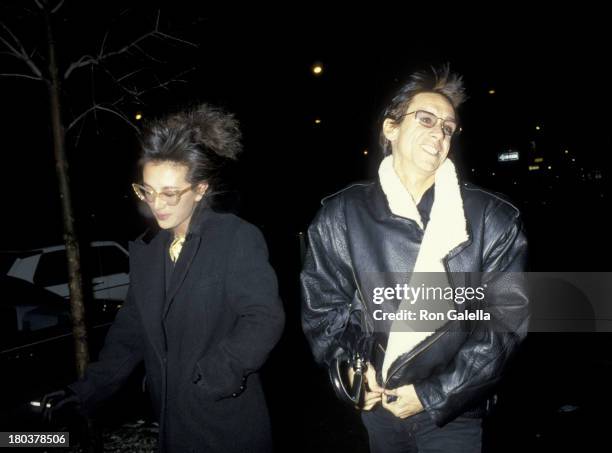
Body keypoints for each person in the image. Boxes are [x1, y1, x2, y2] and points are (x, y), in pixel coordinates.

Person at [301, 65, 529, 452]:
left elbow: (503, 325)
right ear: (390, 128)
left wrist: (430, 395)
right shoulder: (342, 214)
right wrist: (356, 372)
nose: (440, 133)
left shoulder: (494, 219)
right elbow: (323, 309)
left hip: (453, 411)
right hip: (379, 406)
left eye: (447, 127)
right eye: (426, 119)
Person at [43, 104, 285, 453]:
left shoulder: (235, 237)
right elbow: (130, 333)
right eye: (147, 190)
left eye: (170, 193)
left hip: (226, 424)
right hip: (171, 426)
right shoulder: (148, 251)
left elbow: (264, 317)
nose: (157, 204)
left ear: (200, 189)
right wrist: (83, 393)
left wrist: (214, 375)